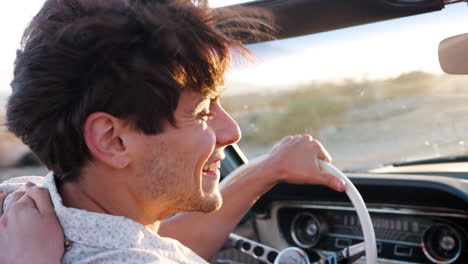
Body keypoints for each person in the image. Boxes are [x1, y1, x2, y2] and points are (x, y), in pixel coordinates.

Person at [0, 0, 346, 263]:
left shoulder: (26, 209)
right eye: (201, 112)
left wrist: (268, 169)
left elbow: (154, 243)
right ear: (113, 140)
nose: (231, 131)